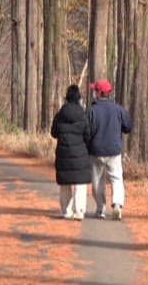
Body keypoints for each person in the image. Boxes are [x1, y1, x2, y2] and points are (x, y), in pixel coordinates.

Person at [87, 78, 132, 220]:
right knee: (116, 178)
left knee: (97, 180)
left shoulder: (91, 111)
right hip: (114, 150)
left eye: (95, 90)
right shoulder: (118, 109)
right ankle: (117, 204)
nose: (94, 93)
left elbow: (86, 131)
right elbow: (128, 127)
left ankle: (100, 208)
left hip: (96, 151)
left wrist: (88, 144)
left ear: (99, 93)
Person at [51, 85, 92, 221]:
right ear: (78, 98)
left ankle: (66, 211)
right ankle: (79, 210)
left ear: (66, 98)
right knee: (80, 184)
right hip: (80, 153)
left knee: (65, 183)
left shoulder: (60, 115)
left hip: (63, 153)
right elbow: (88, 135)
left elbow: (53, 133)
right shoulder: (83, 115)